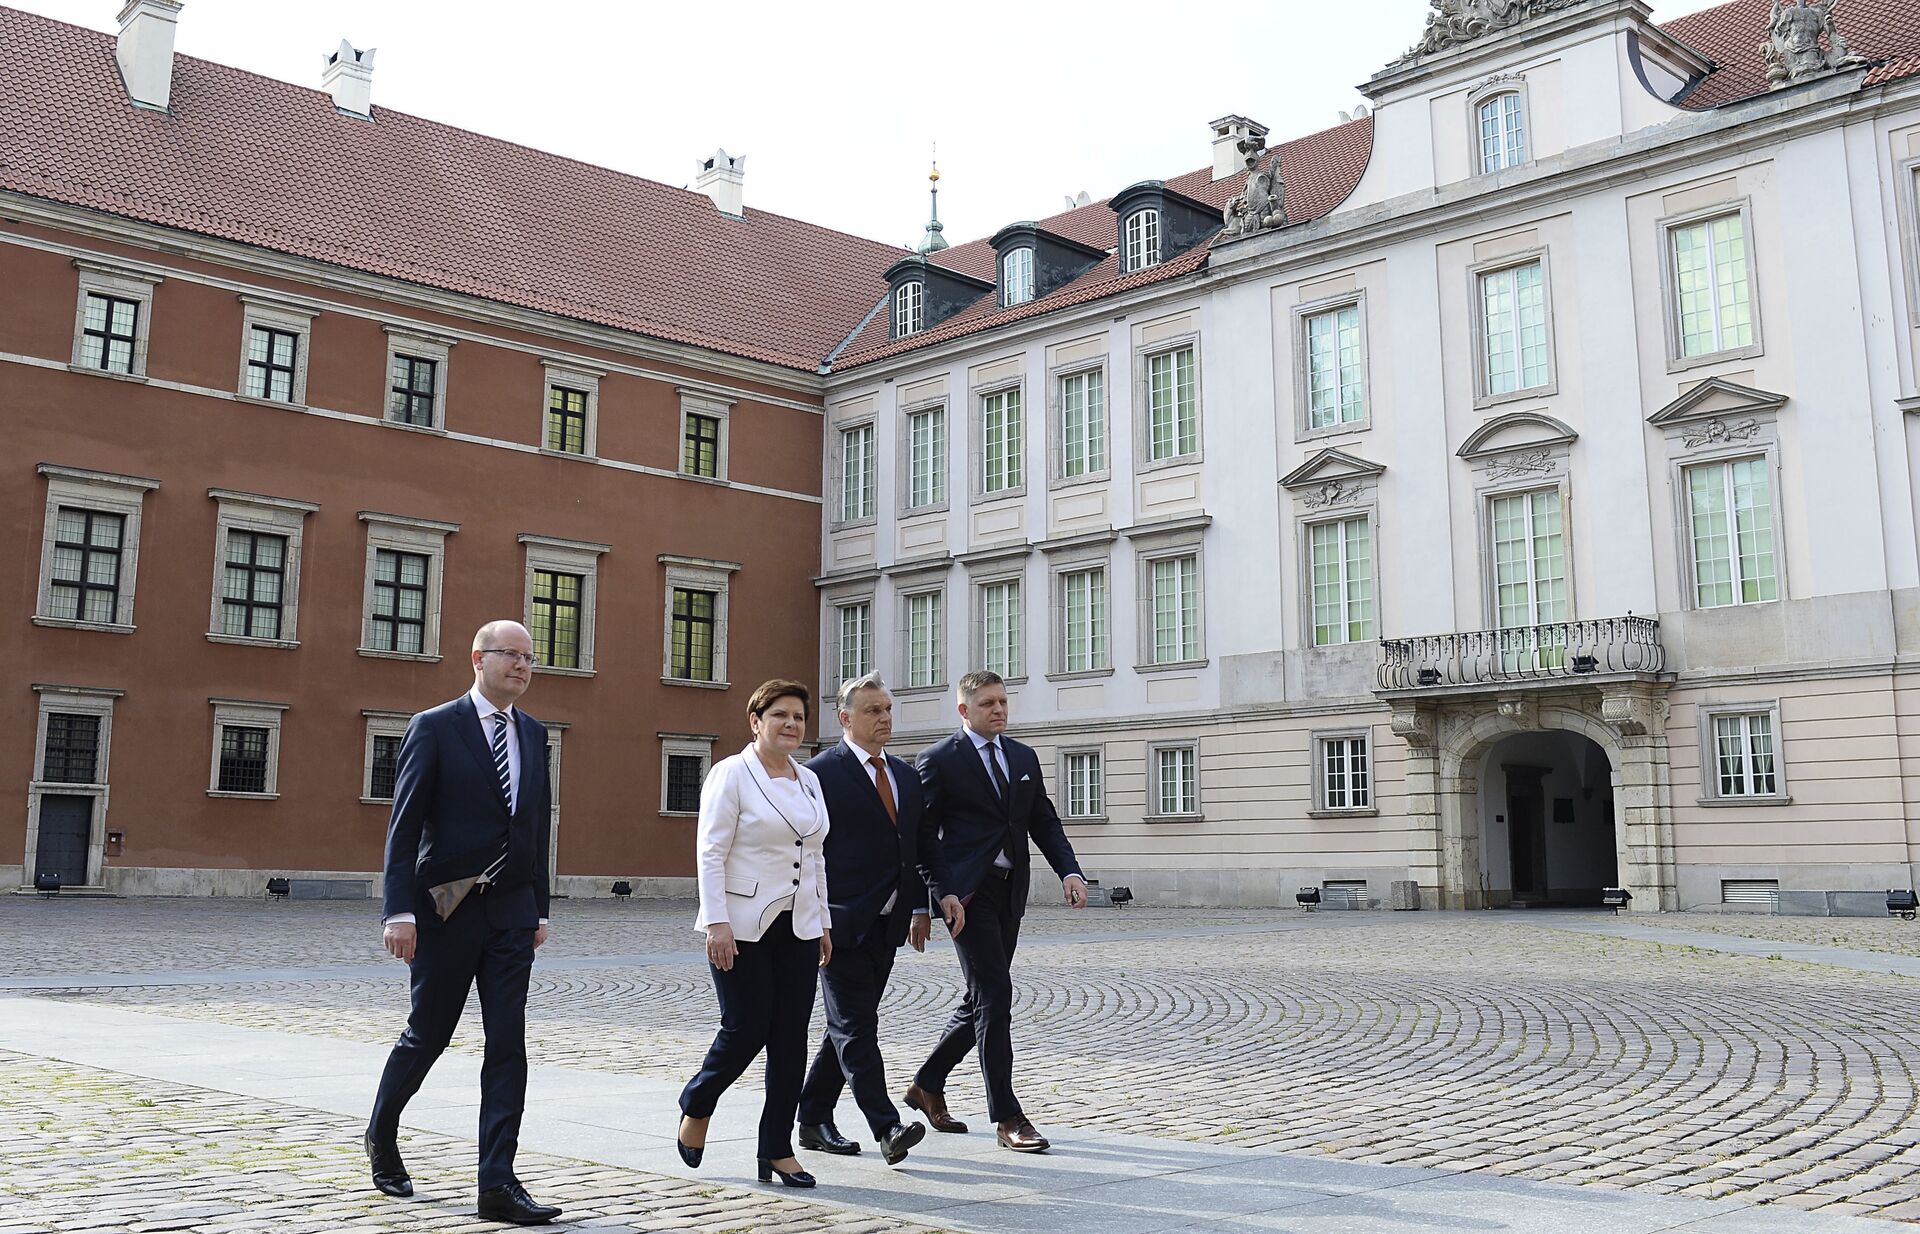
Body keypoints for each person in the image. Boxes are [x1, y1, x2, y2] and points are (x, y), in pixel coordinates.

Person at [366, 620, 560, 1226]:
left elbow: (534, 828)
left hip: (510, 913)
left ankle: (497, 1183)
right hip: (444, 912)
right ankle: (382, 1132)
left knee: (508, 1044)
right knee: (429, 1033)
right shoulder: (435, 727)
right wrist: (398, 911)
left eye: (529, 658)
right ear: (478, 659)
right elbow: (404, 828)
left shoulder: (533, 733)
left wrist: (540, 907)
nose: (523, 666)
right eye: (511, 655)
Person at [908, 669, 1088, 1154]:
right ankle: (1007, 1115)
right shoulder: (939, 760)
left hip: (1011, 892)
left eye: (1003, 702)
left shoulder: (1023, 756)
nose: (999, 710)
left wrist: (1070, 871)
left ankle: (927, 1082)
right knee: (995, 996)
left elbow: (1043, 822)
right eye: (988, 704)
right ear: (964, 710)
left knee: (980, 999)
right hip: (965, 897)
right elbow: (922, 840)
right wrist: (923, 904)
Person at [795, 673, 964, 1165]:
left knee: (848, 1026)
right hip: (837, 922)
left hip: (887, 924)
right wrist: (814, 915)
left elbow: (919, 845)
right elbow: (807, 852)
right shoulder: (819, 774)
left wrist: (934, 898)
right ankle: (886, 1125)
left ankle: (811, 1118)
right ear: (845, 718)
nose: (884, 718)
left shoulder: (906, 775)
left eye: (887, 709)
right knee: (855, 1026)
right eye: (872, 710)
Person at [677, 680, 832, 1188]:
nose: (791, 725)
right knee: (745, 1029)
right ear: (756, 720)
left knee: (790, 1040)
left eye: (799, 718)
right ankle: (698, 1102)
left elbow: (815, 856)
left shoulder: (809, 780)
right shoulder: (731, 774)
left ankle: (777, 1148)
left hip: (800, 924)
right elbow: (710, 852)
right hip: (742, 924)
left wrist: (823, 920)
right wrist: (717, 922)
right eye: (781, 715)